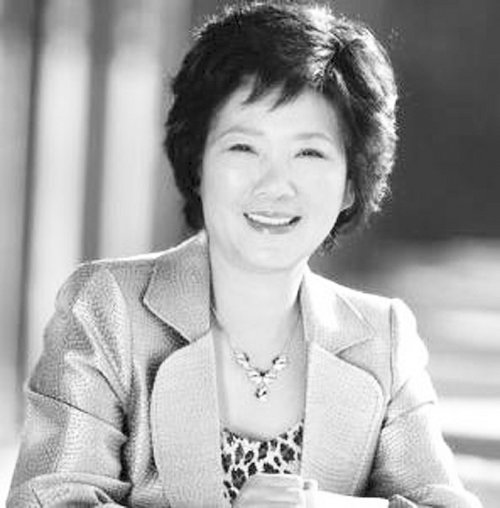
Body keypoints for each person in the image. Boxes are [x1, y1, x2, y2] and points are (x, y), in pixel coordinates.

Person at [8, 1, 482, 507]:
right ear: (198, 163)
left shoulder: (383, 338)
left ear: (350, 183)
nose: (275, 185)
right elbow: (47, 500)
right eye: (243, 148)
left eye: (309, 152)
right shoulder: (107, 309)